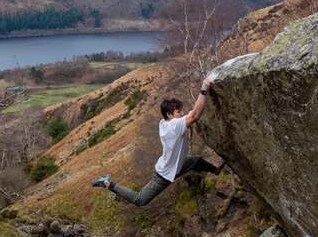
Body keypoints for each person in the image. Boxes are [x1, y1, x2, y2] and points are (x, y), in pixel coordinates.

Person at [91, 77, 224, 206]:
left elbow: (189, 115)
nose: (182, 114)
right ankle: (108, 183)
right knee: (140, 200)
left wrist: (187, 114)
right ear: (169, 114)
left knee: (195, 161)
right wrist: (204, 89)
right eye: (178, 112)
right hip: (164, 174)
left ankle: (216, 171)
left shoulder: (164, 123)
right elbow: (194, 115)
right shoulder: (173, 127)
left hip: (177, 165)